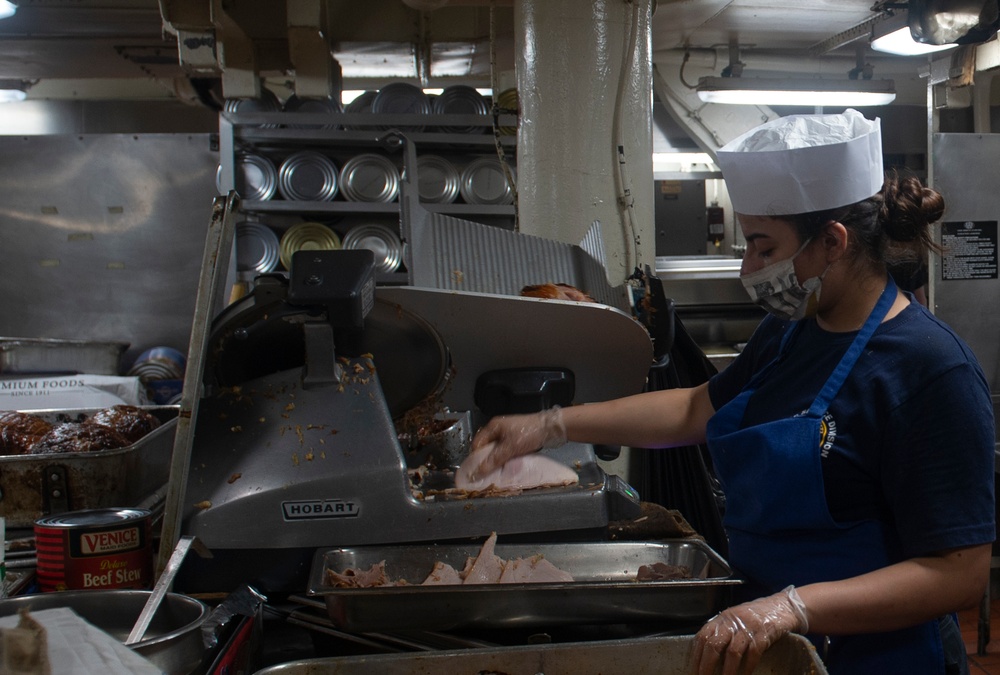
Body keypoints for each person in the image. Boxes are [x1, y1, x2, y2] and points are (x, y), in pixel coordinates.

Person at [459, 109, 995, 675]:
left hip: (879, 660)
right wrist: (552, 424)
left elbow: (958, 572)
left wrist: (791, 607)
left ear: (834, 242)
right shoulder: (790, 332)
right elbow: (695, 407)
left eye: (764, 248)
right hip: (772, 647)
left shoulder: (932, 371)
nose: (749, 267)